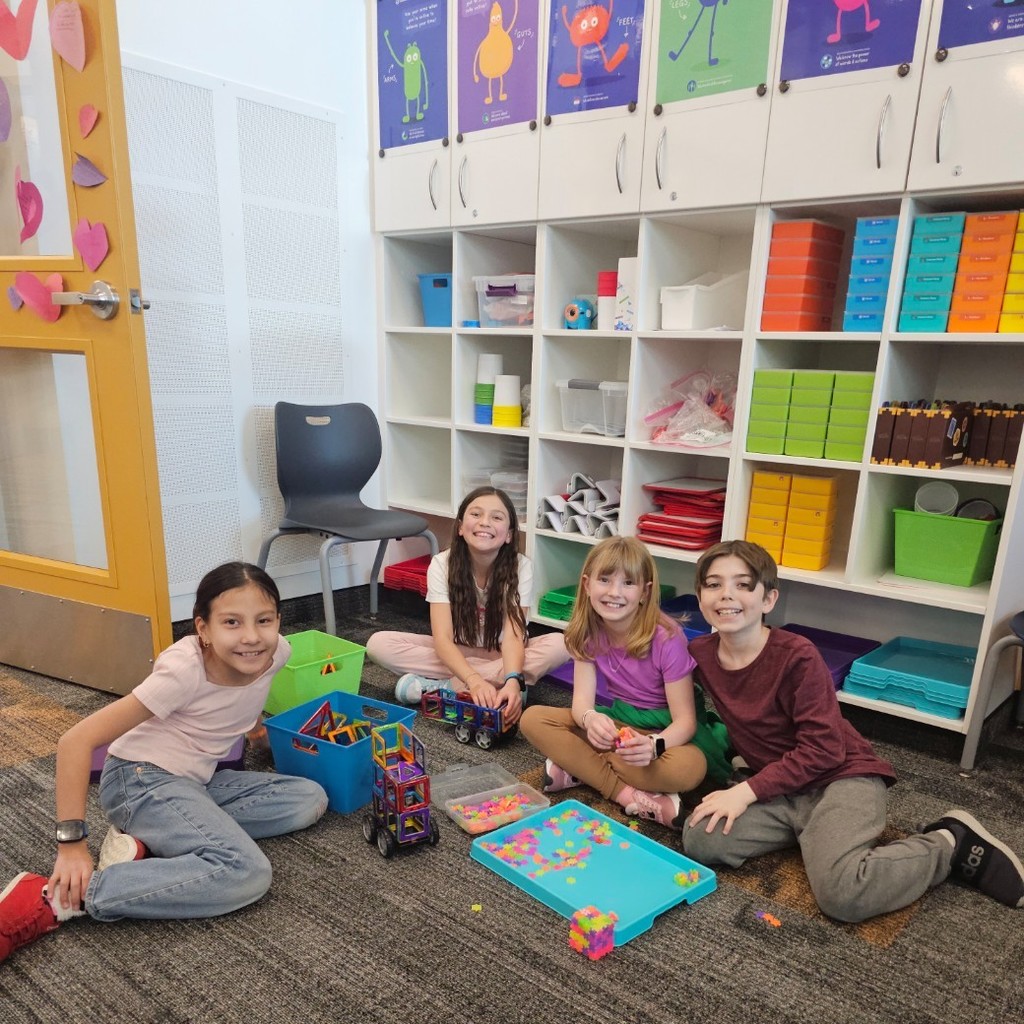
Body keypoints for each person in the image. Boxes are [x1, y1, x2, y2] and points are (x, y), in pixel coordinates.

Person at [0, 562, 328, 964]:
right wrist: (71, 847)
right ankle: (64, 897)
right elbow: (75, 741)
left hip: (196, 782)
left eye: (264, 620)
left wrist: (259, 733)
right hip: (138, 780)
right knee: (245, 872)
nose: (251, 637)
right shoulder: (182, 671)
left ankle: (150, 845)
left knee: (308, 797)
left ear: (279, 620)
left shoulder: (277, 653)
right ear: (203, 629)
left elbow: (242, 702)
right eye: (231, 622)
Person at [682, 539, 1024, 922]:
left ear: (768, 599)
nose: (727, 594)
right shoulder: (700, 655)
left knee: (844, 895)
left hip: (841, 776)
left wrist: (746, 791)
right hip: (780, 787)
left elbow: (824, 751)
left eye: (743, 585)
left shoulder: (798, 656)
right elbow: (649, 667)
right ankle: (818, 837)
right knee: (701, 840)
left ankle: (949, 843)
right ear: (699, 597)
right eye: (713, 584)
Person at [520, 536, 727, 828]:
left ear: (645, 591)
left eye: (628, 583)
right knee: (533, 719)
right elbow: (581, 705)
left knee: (691, 769)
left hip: (663, 733)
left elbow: (685, 723)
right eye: (604, 580)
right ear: (587, 584)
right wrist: (591, 720)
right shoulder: (585, 632)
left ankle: (580, 767)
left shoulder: (667, 638)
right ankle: (627, 794)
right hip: (621, 725)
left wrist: (654, 746)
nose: (614, 592)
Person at [367, 487, 567, 724]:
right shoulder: (442, 564)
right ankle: (490, 685)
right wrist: (474, 679)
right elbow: (442, 639)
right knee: (378, 644)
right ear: (461, 527)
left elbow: (514, 637)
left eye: (496, 517)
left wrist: (513, 678)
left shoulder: (521, 567)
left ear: (509, 534)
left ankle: (442, 686)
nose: (485, 523)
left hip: (503, 652)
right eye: (476, 514)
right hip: (456, 650)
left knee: (561, 644)